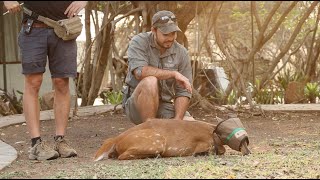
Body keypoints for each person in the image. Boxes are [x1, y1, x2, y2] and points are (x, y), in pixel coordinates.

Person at [3, 1, 87, 160]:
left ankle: (60, 140)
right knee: (33, 83)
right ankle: (36, 144)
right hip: (34, 27)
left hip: (64, 27)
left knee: (62, 83)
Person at [122, 10, 194, 125]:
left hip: (164, 106)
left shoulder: (182, 52)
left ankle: (165, 128)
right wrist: (173, 74)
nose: (171, 38)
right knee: (150, 81)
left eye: (174, 33)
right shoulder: (139, 42)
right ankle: (149, 131)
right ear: (153, 30)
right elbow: (140, 72)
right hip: (137, 105)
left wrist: (177, 122)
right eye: (165, 34)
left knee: (191, 126)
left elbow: (184, 91)